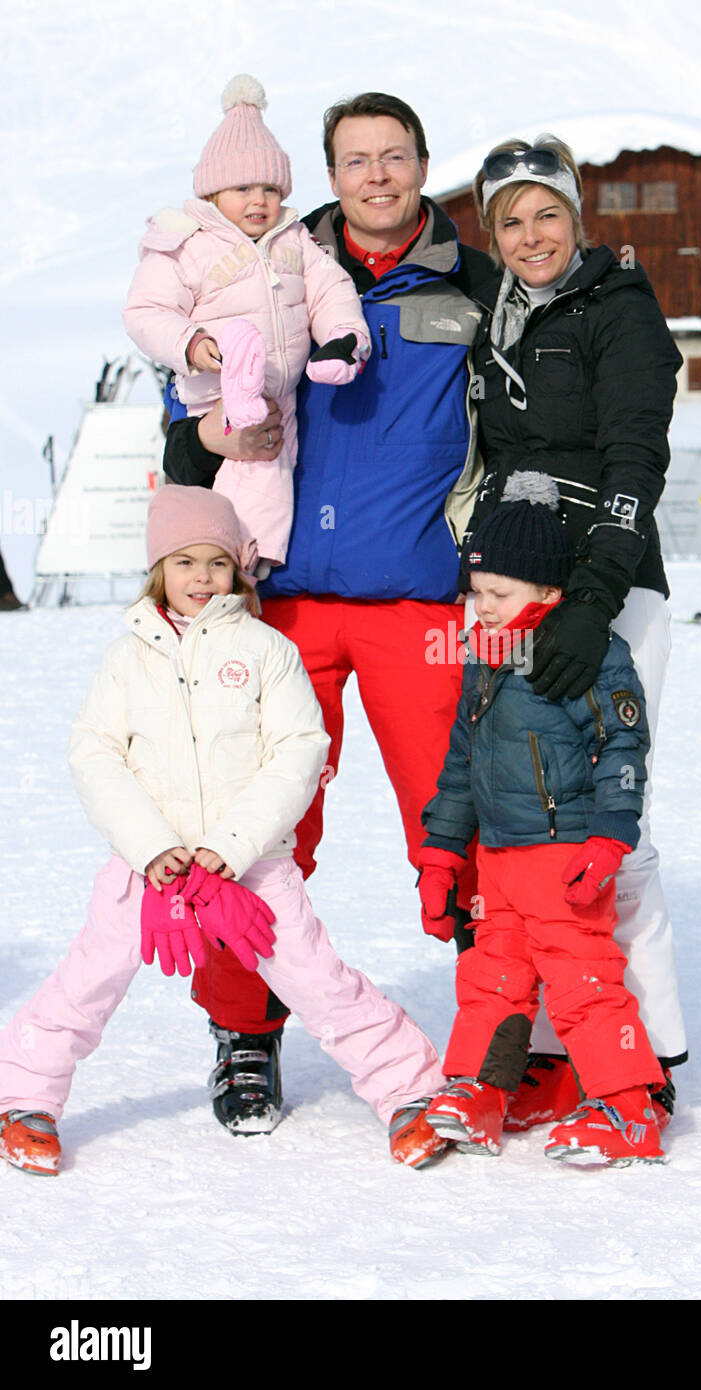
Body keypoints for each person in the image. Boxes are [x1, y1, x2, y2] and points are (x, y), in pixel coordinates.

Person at [161, 94, 494, 1134]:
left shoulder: (475, 284)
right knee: (253, 825)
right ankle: (245, 1033)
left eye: (397, 157)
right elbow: (184, 431)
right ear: (329, 175)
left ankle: (498, 1030)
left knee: (460, 824)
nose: (379, 177)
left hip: (418, 602)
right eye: (357, 160)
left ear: (426, 166)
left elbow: (527, 431)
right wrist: (210, 434)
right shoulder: (264, 262)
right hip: (282, 601)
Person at [0, 486, 449, 1176]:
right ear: (159, 570)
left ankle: (409, 1091)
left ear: (237, 570)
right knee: (87, 982)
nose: (201, 578)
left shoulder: (267, 649)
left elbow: (301, 750)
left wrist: (229, 848)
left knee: (318, 980)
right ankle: (23, 1099)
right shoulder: (127, 660)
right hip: (145, 870)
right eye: (184, 562)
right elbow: (95, 756)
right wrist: (152, 849)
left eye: (215, 561)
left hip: (251, 869)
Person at [461, 136, 689, 1130]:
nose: (529, 234)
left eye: (545, 213)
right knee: (525, 818)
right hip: (511, 586)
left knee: (602, 821)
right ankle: (554, 1048)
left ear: (577, 218)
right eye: (509, 220)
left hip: (609, 589)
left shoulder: (619, 310)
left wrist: (594, 601)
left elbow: (636, 456)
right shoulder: (494, 319)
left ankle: (656, 1047)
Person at [418, 473, 666, 1166]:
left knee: (583, 980)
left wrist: (611, 835)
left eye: (499, 594)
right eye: (474, 593)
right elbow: (461, 762)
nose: (482, 607)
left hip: (563, 857)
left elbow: (623, 743)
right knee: (491, 976)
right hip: (497, 860)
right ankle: (478, 1090)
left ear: (549, 593)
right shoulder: (483, 658)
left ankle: (627, 1108)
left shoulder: (588, 656)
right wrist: (441, 854)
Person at [124, 75, 370, 569]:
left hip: (279, 393)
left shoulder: (293, 241)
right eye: (242, 188)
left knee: (273, 482)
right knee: (243, 483)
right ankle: (232, 568)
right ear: (214, 193)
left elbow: (331, 291)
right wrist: (192, 343)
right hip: (217, 387)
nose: (259, 201)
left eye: (270, 189)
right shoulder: (187, 242)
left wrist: (345, 339)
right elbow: (145, 310)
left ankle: (248, 567)